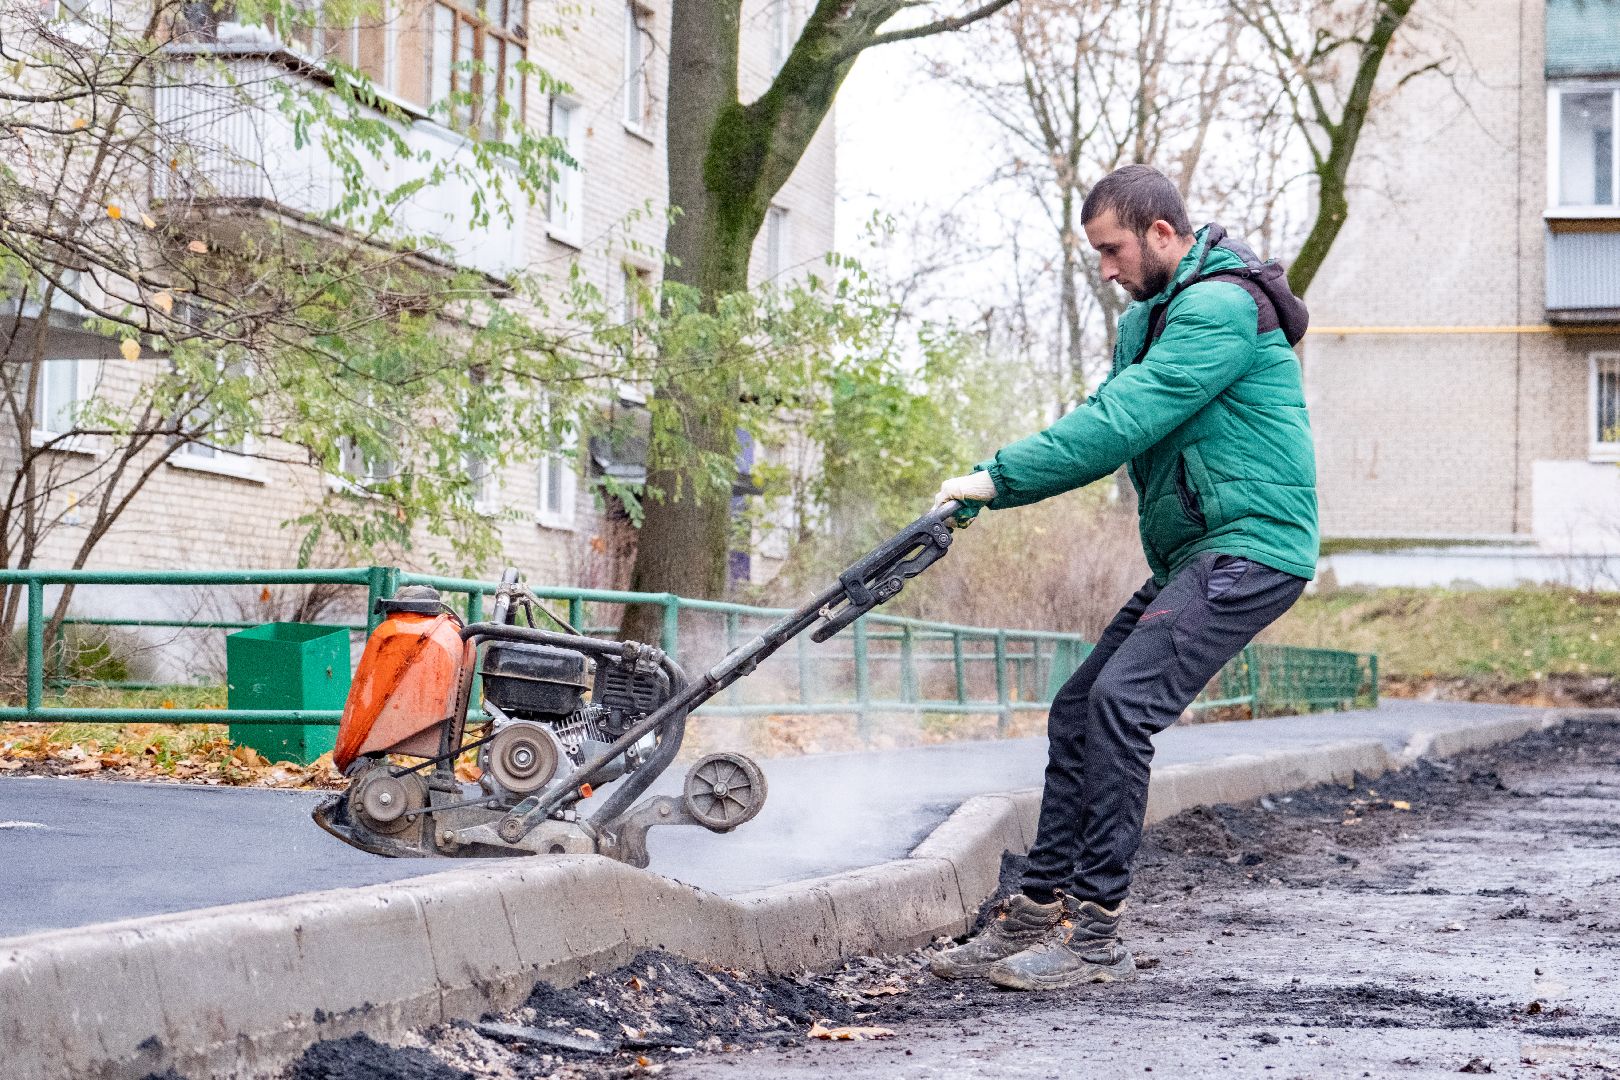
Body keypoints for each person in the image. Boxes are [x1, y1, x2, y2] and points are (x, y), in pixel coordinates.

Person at [928, 164, 1318, 992]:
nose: (1104, 270)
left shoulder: (1218, 311)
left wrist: (997, 478)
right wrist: (987, 490)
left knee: (1120, 705)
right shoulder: (1155, 317)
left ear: (1163, 235)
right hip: (1202, 553)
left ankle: (1097, 934)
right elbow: (1109, 416)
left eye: (1112, 250)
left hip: (1251, 548)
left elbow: (1121, 420)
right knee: (1079, 706)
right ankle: (1035, 915)